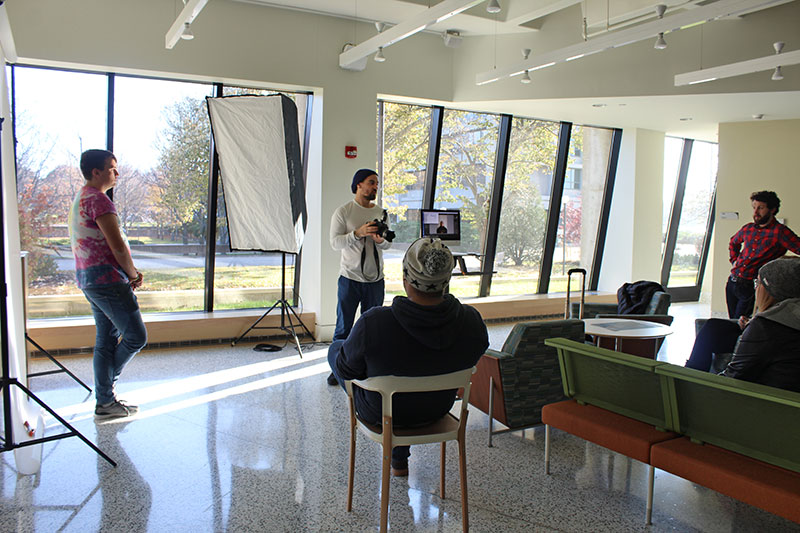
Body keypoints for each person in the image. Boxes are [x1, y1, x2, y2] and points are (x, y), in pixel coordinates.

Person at [328, 237, 489, 476]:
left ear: (406, 280)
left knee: (337, 349)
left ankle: (396, 452)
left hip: (379, 414)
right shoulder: (472, 321)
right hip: (437, 410)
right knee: (411, 369)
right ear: (446, 281)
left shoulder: (374, 323)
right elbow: (473, 356)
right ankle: (399, 458)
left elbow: (345, 370)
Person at [69, 149, 147, 419]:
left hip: (90, 280)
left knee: (106, 340)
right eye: (113, 168)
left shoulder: (81, 197)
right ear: (96, 172)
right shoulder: (99, 201)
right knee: (137, 336)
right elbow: (118, 247)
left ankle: (105, 402)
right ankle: (104, 393)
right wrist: (133, 274)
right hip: (107, 280)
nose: (117, 173)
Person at [685, 257, 800, 392]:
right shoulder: (784, 318)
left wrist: (703, 389)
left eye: (758, 282)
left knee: (713, 330)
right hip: (789, 400)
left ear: (771, 289)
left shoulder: (767, 325)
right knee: (714, 327)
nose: (755, 287)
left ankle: (688, 381)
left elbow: (734, 379)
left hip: (767, 404)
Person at [327, 169, 391, 385]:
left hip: (375, 280)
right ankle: (338, 370)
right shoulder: (344, 212)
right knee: (344, 327)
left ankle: (368, 369)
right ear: (358, 185)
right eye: (371, 183)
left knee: (372, 328)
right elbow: (335, 243)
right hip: (349, 279)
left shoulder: (382, 212)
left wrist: (379, 239)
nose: (375, 187)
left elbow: (388, 244)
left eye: (377, 184)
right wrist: (358, 233)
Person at [727, 190, 800, 319]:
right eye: (754, 207)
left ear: (772, 209)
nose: (755, 212)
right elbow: (733, 242)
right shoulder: (748, 228)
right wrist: (734, 261)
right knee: (732, 320)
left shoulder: (779, 232)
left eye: (760, 208)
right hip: (733, 282)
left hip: (753, 286)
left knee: (741, 323)